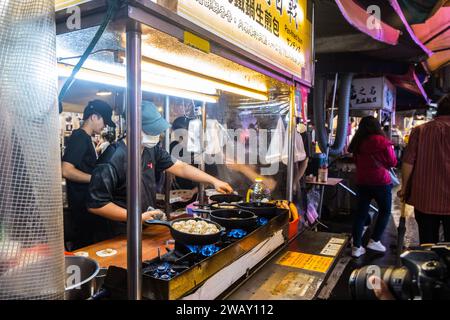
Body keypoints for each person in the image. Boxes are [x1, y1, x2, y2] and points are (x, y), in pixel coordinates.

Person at [86, 101, 233, 238]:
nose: (156, 136)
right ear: (133, 127)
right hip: (118, 234)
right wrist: (135, 217)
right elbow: (96, 204)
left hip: (145, 228)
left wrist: (214, 181)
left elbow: (180, 167)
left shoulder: (151, 150)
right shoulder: (112, 159)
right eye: (151, 131)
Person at [61, 99, 115, 250]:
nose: (104, 126)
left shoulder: (87, 138)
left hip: (87, 205)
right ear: (94, 117)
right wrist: (96, 179)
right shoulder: (80, 137)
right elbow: (66, 170)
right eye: (104, 121)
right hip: (81, 207)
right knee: (85, 248)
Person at [398, 94, 450, 244]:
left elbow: (408, 163)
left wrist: (405, 188)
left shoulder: (420, 131)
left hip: (425, 198)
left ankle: (429, 265)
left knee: (427, 245)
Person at [348, 116, 397, 258]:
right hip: (381, 181)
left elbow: (356, 160)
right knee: (385, 211)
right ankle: (374, 240)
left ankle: (356, 247)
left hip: (362, 181)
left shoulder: (357, 142)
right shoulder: (382, 141)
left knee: (360, 214)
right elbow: (393, 162)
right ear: (377, 127)